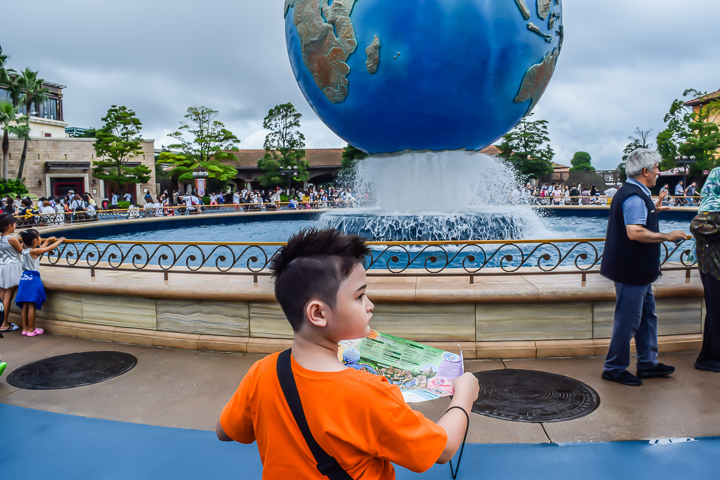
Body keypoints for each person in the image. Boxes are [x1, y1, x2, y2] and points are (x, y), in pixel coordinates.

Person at [216, 229, 479, 477]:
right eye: (360, 296)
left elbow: (224, 431)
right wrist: (464, 396)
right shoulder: (368, 392)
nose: (370, 305)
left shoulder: (262, 371)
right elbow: (442, 449)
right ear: (318, 313)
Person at [600, 149, 686, 386]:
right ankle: (614, 367)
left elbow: (633, 220)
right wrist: (667, 236)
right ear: (646, 171)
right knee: (628, 320)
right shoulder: (635, 197)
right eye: (657, 168)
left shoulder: (634, 194)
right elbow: (634, 232)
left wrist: (652, 210)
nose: (659, 172)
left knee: (647, 316)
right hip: (632, 270)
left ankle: (648, 363)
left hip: (637, 270)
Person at [690, 167, 720, 372]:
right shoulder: (713, 204)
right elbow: (697, 226)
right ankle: (710, 358)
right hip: (712, 265)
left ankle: (711, 357)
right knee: (717, 311)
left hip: (714, 263)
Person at [16, 230, 65, 336]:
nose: (40, 239)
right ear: (35, 240)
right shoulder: (33, 252)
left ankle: (25, 329)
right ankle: (31, 330)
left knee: (24, 305)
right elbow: (48, 249)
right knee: (31, 306)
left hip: (24, 279)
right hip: (33, 280)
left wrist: (47, 240)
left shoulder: (24, 250)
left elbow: (41, 249)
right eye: (39, 237)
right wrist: (59, 241)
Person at [0, 214, 22, 333]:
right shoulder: (12, 239)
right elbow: (22, 252)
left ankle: (1, 321)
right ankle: (4, 324)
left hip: (2, 267)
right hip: (12, 268)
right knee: (8, 296)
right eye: (14, 224)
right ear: (9, 225)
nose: (15, 226)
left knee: (2, 295)